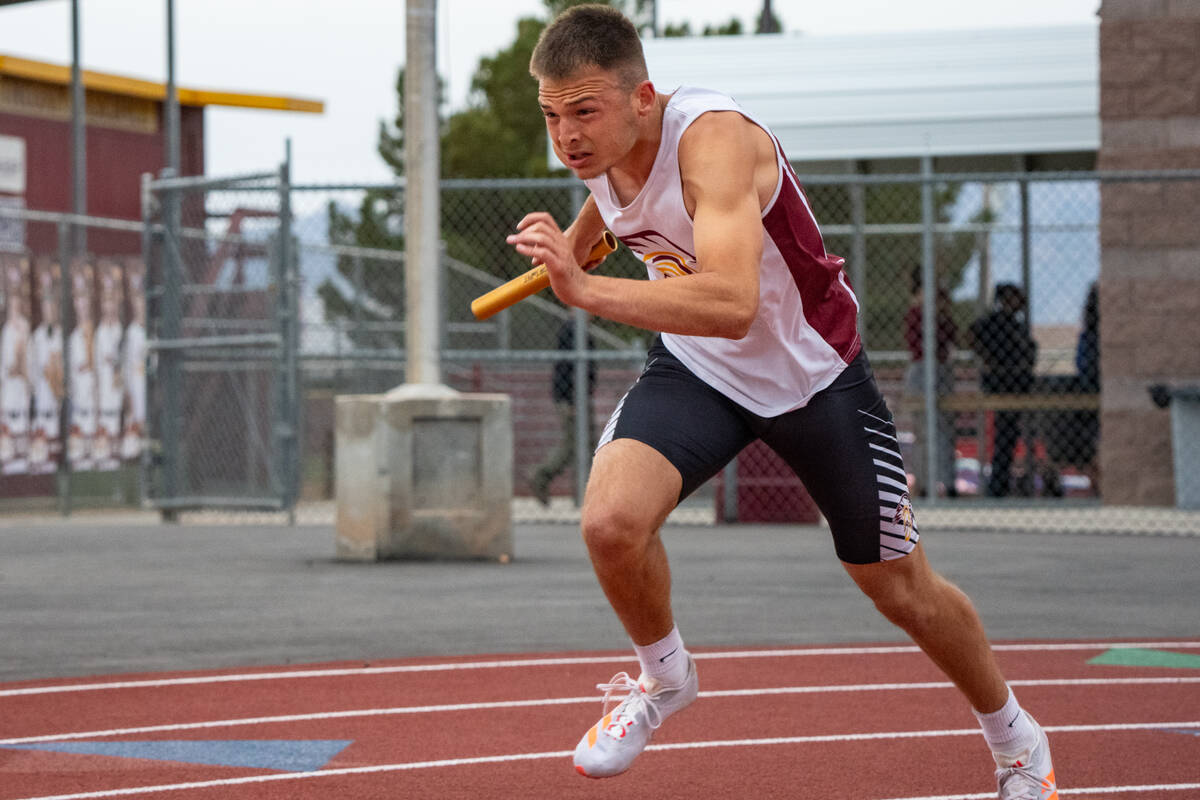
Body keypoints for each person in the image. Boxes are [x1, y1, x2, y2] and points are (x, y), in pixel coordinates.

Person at [506, 6, 1057, 797]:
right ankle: (666, 680)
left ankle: (1018, 742)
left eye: (584, 112)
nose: (568, 136)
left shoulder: (716, 143)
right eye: (552, 116)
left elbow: (731, 300)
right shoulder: (597, 150)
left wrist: (585, 288)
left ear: (644, 99)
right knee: (610, 524)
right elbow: (615, 214)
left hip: (812, 377)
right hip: (702, 370)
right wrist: (574, 243)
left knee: (900, 589)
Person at [969, 284, 1037, 498]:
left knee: (1011, 435)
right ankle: (998, 486)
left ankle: (1006, 483)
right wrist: (990, 361)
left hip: (1016, 383)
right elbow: (973, 335)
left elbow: (1028, 352)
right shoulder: (995, 322)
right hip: (1002, 383)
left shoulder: (1015, 325)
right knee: (1005, 435)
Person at [903, 266, 959, 498]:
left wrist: (941, 310)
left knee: (944, 429)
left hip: (940, 368)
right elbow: (915, 341)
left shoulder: (940, 313)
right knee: (924, 431)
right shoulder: (916, 313)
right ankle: (924, 484)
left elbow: (951, 337)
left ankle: (947, 483)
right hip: (921, 369)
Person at [530, 316, 596, 506]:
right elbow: (568, 369)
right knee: (574, 443)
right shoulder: (572, 329)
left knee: (588, 443)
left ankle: (586, 493)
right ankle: (541, 475)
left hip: (580, 396)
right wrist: (572, 400)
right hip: (573, 398)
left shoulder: (581, 329)